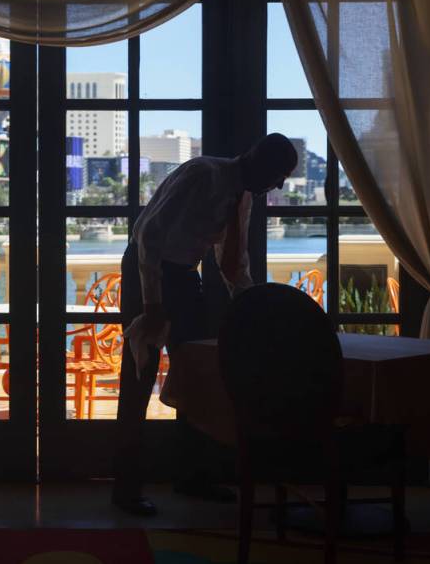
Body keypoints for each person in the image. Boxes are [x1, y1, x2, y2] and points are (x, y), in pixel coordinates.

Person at [111, 133, 298, 516]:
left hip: (182, 275)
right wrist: (153, 304)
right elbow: (148, 236)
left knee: (197, 375)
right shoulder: (201, 174)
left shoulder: (242, 197)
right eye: (279, 175)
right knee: (139, 378)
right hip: (146, 271)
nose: (278, 185)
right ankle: (125, 487)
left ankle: (193, 475)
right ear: (258, 162)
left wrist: (250, 304)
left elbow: (232, 263)